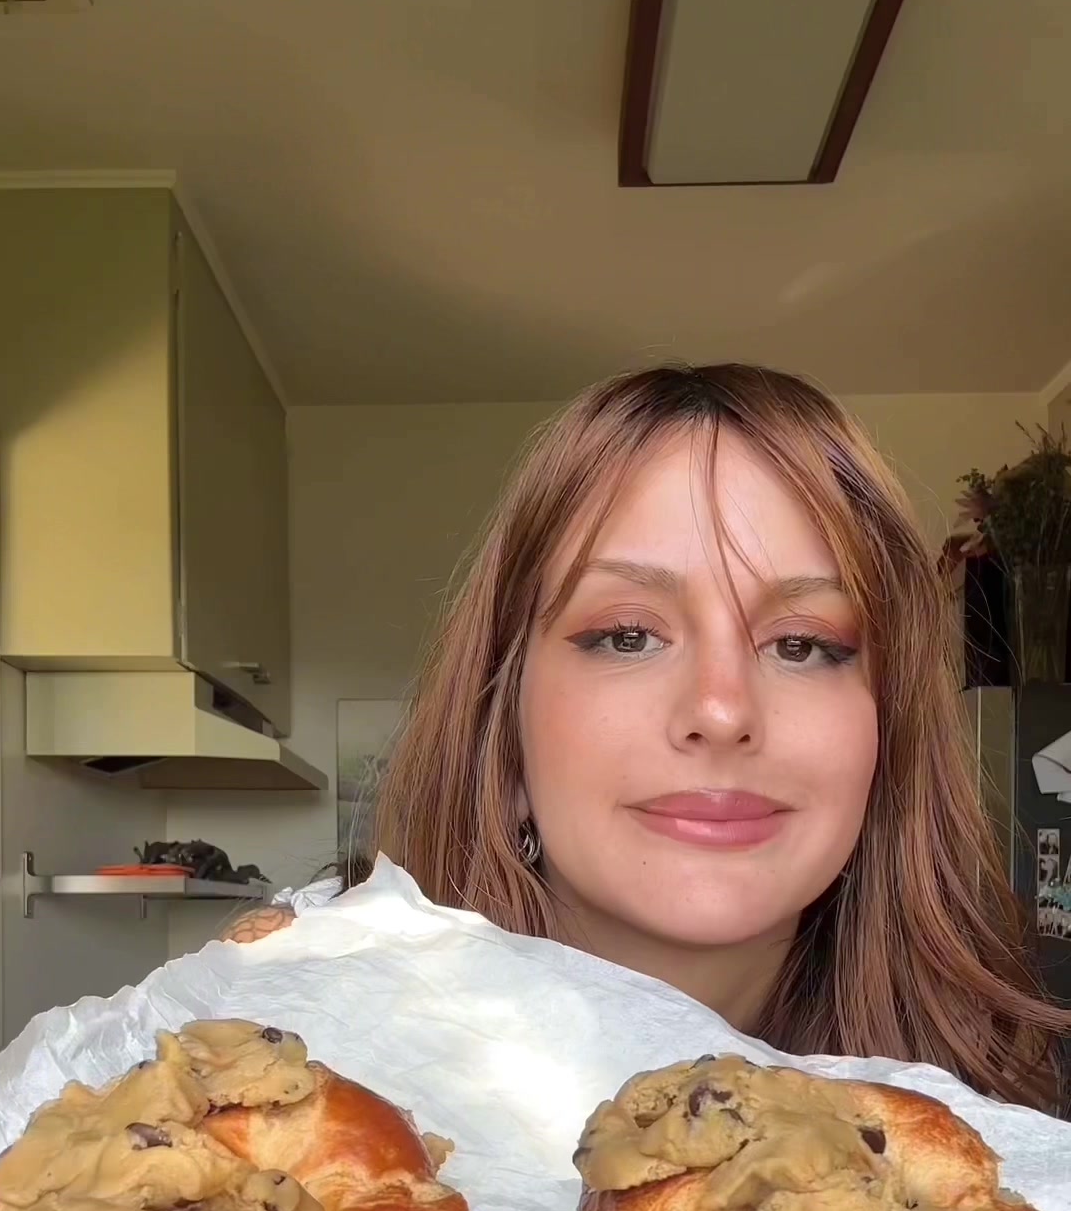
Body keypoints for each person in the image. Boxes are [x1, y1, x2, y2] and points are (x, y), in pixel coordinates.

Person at [225, 363, 1069, 1112]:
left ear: (886, 743)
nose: (722, 709)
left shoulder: (996, 1130)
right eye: (627, 635)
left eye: (802, 644)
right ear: (504, 732)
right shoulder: (263, 1070)